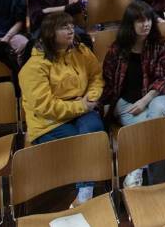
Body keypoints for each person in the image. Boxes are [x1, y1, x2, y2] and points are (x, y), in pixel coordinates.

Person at [18, 11, 104, 208]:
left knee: (94, 131)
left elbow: (96, 76)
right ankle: (86, 191)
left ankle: (85, 188)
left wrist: (91, 97)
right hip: (49, 121)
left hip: (82, 108)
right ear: (50, 33)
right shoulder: (34, 66)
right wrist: (81, 106)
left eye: (72, 26)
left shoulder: (81, 50)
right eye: (64, 27)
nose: (71, 30)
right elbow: (45, 106)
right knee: (79, 143)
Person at [100, 1, 165, 188]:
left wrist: (145, 100)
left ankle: (137, 168)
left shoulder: (159, 45)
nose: (146, 24)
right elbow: (108, 80)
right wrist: (107, 108)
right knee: (153, 131)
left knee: (155, 118)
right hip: (125, 103)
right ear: (130, 24)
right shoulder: (117, 49)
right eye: (140, 21)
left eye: (148, 20)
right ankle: (158, 183)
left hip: (158, 97)